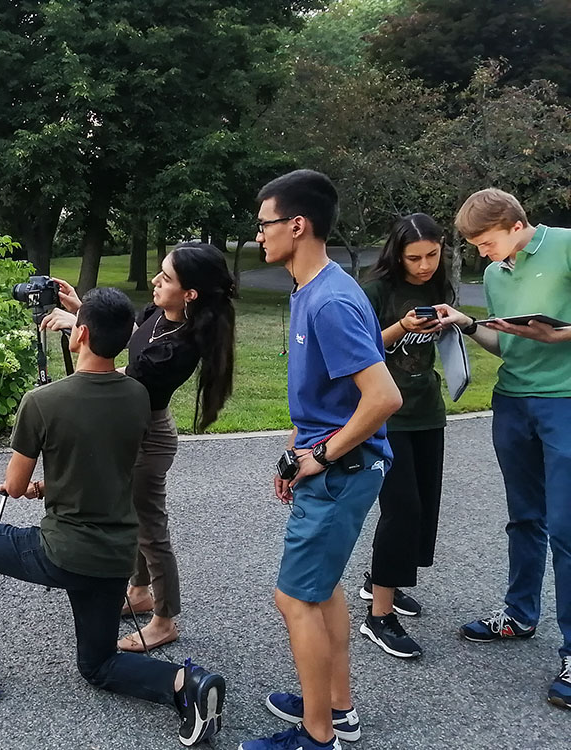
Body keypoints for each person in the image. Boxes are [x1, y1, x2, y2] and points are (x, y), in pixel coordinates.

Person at [0, 288, 226, 747]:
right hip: (115, 557)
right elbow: (96, 467)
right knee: (97, 666)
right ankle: (187, 685)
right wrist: (46, 486)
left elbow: (16, 485)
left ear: (79, 334)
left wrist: (26, 488)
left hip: (62, 552)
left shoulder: (41, 402)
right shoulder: (139, 397)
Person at [239, 170, 402, 750]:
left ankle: (318, 735)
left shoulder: (330, 300)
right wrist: (293, 453)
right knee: (323, 587)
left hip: (344, 472)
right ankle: (336, 708)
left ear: (297, 225)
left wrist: (320, 458)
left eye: (264, 224)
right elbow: (325, 398)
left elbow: (384, 397)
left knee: (295, 598)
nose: (258, 236)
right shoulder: (311, 288)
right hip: (331, 465)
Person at [40, 243, 236, 652]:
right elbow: (132, 338)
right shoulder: (159, 314)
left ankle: (164, 620)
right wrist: (82, 310)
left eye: (165, 278)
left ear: (191, 294)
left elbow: (116, 372)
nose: (155, 281)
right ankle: (141, 590)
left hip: (148, 437)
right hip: (132, 427)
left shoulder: (179, 347)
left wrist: (79, 328)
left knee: (150, 529)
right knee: (132, 516)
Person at [436, 188, 571, 709]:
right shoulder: (495, 274)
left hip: (565, 402)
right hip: (512, 402)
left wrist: (560, 337)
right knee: (524, 517)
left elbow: (547, 335)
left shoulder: (564, 246)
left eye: (488, 242)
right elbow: (508, 342)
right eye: (476, 247)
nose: (484, 255)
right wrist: (469, 326)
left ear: (517, 225)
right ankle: (518, 615)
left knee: (566, 527)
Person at [357, 213, 455, 659]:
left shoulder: (439, 286)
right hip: (385, 415)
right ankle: (379, 617)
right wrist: (401, 327)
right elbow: (355, 347)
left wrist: (453, 322)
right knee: (402, 508)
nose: (423, 265)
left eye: (432, 255)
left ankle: (383, 583)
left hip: (427, 409)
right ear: (396, 254)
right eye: (414, 257)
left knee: (423, 510)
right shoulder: (376, 289)